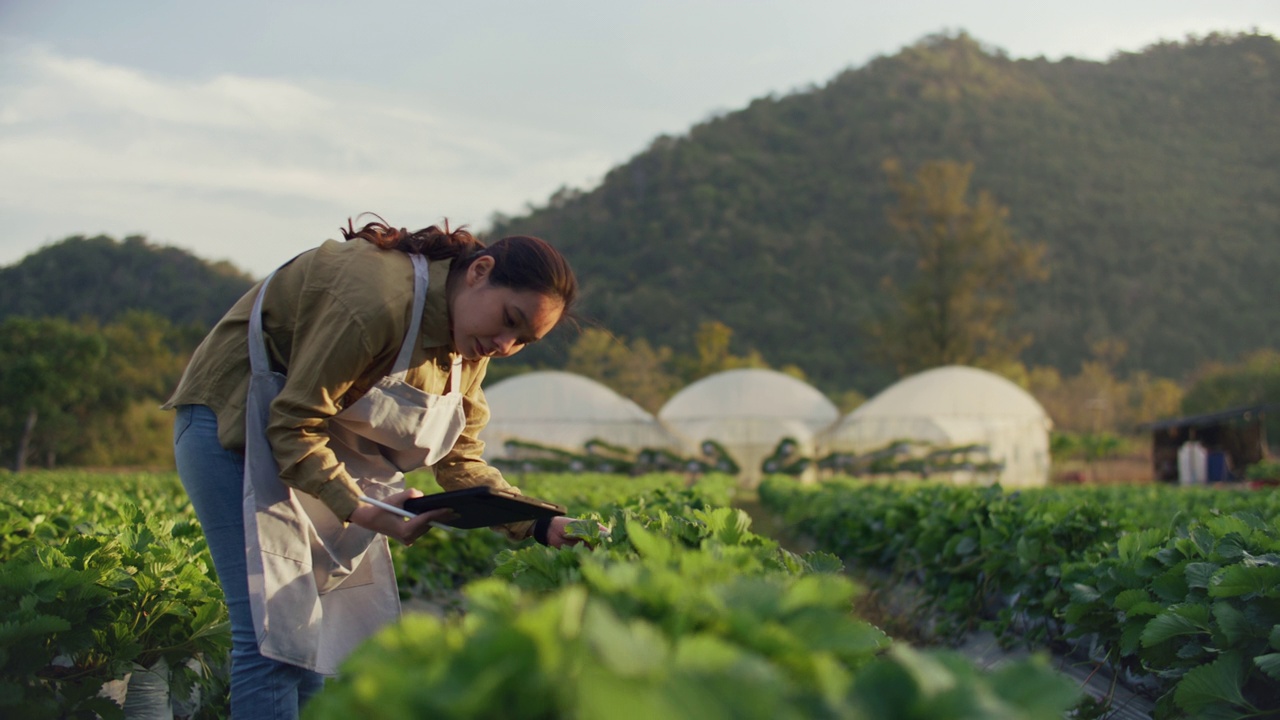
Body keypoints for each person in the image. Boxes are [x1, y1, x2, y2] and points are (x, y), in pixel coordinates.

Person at [164, 217, 583, 719]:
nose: (505, 346)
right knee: (272, 638)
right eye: (509, 320)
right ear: (480, 271)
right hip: (231, 427)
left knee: (312, 643)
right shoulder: (377, 300)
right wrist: (363, 509)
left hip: (311, 451)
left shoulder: (468, 343)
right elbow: (293, 424)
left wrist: (541, 521)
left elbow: (460, 460)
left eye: (523, 341)